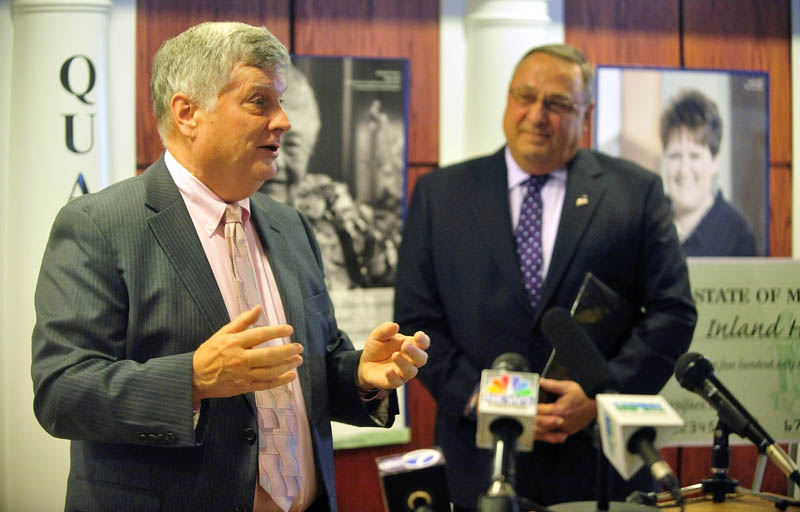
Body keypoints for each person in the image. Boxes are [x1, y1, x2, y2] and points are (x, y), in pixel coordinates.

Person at [31, 21, 429, 512]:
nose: (283, 121)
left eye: (280, 103)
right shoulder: (98, 225)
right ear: (188, 113)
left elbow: (314, 362)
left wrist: (361, 377)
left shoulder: (290, 226)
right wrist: (194, 379)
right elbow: (62, 392)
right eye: (260, 102)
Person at [394, 43, 696, 509]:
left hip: (596, 462)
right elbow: (417, 319)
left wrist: (602, 393)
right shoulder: (441, 194)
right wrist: (491, 400)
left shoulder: (634, 194)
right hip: (479, 460)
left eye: (557, 104)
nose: (537, 115)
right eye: (525, 97)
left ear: (586, 114)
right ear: (508, 101)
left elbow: (672, 313)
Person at [260, 65, 401, 290]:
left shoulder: (330, 199)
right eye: (267, 143)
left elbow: (389, 270)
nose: (279, 159)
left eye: (294, 145)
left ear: (311, 146)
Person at [659, 89, 757, 256]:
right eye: (675, 156)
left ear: (715, 163)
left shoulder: (738, 235)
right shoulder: (650, 224)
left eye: (695, 156)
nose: (684, 169)